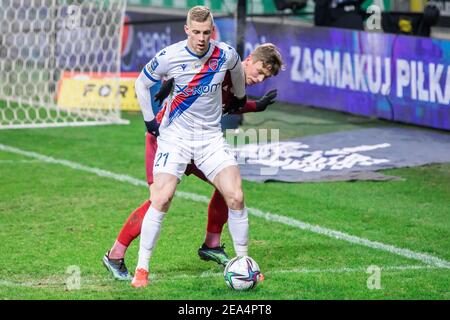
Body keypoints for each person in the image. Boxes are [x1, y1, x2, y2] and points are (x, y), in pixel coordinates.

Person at [102, 43, 284, 281]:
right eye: (260, 71)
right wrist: (168, 83)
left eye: (265, 77)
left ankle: (212, 243)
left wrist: (255, 106)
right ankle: (115, 255)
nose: (260, 79)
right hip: (166, 139)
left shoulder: (235, 85)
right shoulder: (220, 67)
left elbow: (229, 105)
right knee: (159, 200)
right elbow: (185, 63)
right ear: (248, 59)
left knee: (228, 188)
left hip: (200, 144)